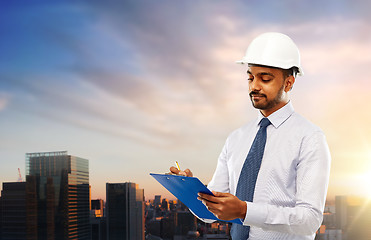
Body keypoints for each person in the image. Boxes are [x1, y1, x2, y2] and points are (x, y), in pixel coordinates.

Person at [170, 32, 331, 240]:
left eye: (265, 78)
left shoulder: (310, 138)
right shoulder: (236, 138)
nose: (254, 86)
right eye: (250, 77)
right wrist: (192, 191)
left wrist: (244, 211)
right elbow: (209, 215)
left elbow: (309, 220)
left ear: (289, 83)